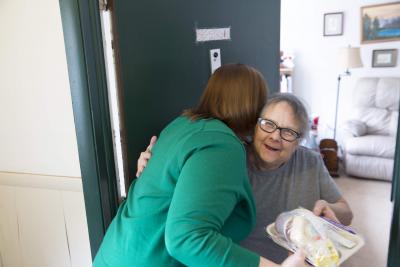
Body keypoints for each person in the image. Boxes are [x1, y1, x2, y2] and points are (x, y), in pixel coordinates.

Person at [93, 64, 306, 267]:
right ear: (252, 105)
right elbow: (187, 238)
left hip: (119, 251)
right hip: (148, 259)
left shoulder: (183, 124)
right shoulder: (221, 146)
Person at [136, 93, 353, 264]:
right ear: (254, 127)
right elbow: (177, 196)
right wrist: (151, 164)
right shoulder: (226, 161)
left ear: (299, 142)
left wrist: (330, 211)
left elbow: (346, 213)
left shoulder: (311, 162)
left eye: (288, 132)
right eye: (268, 124)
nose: (276, 136)